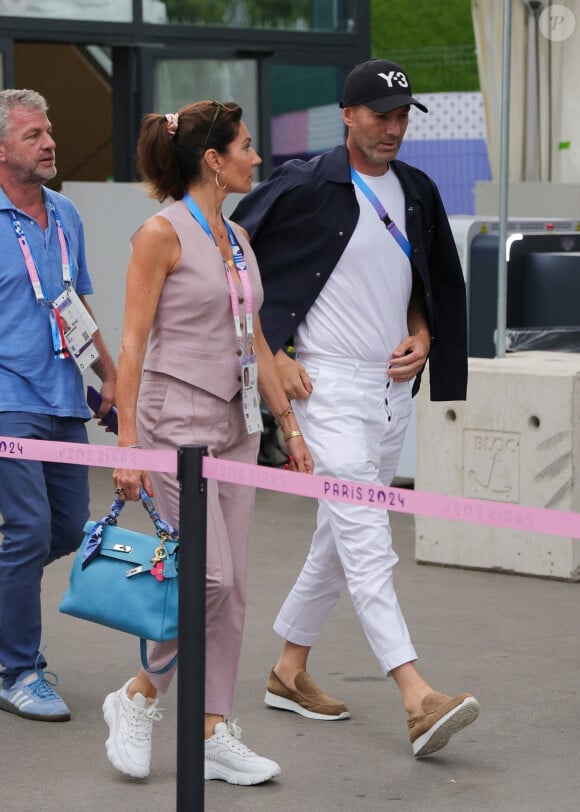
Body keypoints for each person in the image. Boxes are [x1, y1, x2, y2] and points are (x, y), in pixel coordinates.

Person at [232, 58, 480, 758]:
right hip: (326, 388)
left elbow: (420, 279)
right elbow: (234, 260)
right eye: (380, 115)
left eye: (403, 116)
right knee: (367, 533)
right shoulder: (304, 184)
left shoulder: (418, 190)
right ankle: (416, 694)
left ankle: (288, 670)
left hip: (391, 388)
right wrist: (272, 351)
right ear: (347, 115)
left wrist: (424, 335)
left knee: (339, 537)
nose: (393, 128)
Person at [104, 100, 313, 785]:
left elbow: (254, 337)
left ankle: (212, 726)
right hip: (175, 424)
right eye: (248, 147)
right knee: (209, 577)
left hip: (238, 425)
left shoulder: (237, 238)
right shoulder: (159, 235)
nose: (260, 157)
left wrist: (288, 424)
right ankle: (138, 696)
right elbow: (132, 343)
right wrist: (129, 444)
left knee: (236, 586)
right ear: (213, 160)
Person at [0, 89, 117, 722]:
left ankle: (5, 592)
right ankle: (18, 669)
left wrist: (112, 380)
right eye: (33, 136)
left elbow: (77, 305)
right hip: (6, 399)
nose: (49, 143)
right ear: (0, 149)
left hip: (64, 396)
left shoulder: (66, 213)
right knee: (26, 530)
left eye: (49, 132)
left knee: (68, 529)